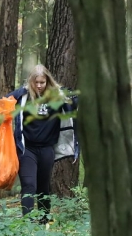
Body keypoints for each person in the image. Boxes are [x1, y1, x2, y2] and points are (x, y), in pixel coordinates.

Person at [6, 64, 78, 224]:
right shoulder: (23, 97)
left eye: (42, 82)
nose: (39, 85)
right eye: (36, 82)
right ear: (31, 82)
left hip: (47, 149)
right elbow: (4, 102)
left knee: (44, 187)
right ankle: (28, 224)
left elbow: (74, 105)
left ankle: (44, 221)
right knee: (29, 185)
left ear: (48, 82)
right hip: (27, 149)